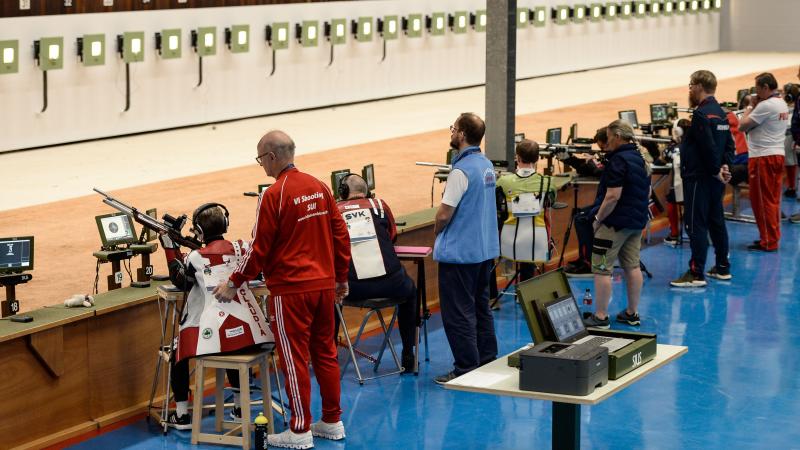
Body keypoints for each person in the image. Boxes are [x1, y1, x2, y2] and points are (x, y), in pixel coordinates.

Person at [212, 131, 351, 449]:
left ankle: (299, 430)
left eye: (260, 159)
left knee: (294, 359)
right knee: (326, 353)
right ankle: (331, 420)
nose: (260, 165)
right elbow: (340, 234)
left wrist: (234, 282)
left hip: (291, 291)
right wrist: (340, 278)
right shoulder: (319, 186)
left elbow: (259, 247)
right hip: (324, 287)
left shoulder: (273, 195)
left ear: (272, 157)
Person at [158, 204, 273, 430]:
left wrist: (170, 248)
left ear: (199, 232)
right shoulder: (243, 247)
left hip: (217, 337)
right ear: (226, 224)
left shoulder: (194, 256)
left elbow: (179, 279)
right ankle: (240, 409)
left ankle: (181, 415)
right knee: (235, 343)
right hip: (253, 335)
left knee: (175, 350)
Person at [432, 112, 499, 384]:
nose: (451, 133)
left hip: (459, 256)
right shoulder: (486, 165)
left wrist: (436, 233)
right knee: (481, 307)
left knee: (458, 313)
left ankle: (465, 368)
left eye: (454, 129)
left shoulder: (460, 171)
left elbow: (444, 214)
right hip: (483, 253)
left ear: (461, 135)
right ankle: (486, 358)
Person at [335, 173, 417, 372]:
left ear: (342, 193)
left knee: (332, 294)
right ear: (367, 191)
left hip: (353, 289)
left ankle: (329, 355)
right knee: (411, 291)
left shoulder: (335, 211)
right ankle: (409, 351)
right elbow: (392, 236)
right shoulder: (380, 205)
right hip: (391, 284)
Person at [582, 120, 651, 328]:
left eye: (609, 137)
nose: (607, 141)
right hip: (636, 222)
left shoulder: (619, 160)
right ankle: (632, 312)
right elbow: (646, 192)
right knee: (632, 266)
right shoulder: (641, 157)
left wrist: (597, 219)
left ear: (618, 137)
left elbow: (612, 196)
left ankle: (601, 316)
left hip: (615, 224)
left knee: (602, 269)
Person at [670, 70, 734, 287]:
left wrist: (716, 168)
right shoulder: (721, 113)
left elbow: (707, 147)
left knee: (696, 224)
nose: (689, 89)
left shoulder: (700, 114)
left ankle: (696, 273)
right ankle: (723, 267)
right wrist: (725, 167)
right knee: (717, 222)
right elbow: (728, 146)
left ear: (698, 86)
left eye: (691, 85)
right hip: (716, 180)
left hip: (699, 178)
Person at [739, 72, 790, 252]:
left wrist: (748, 107)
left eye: (758, 89)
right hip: (776, 155)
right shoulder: (781, 103)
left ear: (766, 87)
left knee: (761, 201)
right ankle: (770, 238)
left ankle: (768, 241)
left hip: (763, 158)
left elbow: (742, 126)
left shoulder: (766, 105)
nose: (757, 93)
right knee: (772, 199)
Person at [495, 139, 557, 283]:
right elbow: (551, 202)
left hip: (508, 243)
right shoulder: (548, 182)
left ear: (517, 157)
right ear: (537, 158)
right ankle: (525, 291)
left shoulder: (504, 182)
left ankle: (492, 296)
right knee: (529, 247)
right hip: (538, 242)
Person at [564, 128, 609, 277]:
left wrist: (592, 160)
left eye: (601, 146)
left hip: (611, 205)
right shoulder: (611, 155)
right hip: (607, 203)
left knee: (582, 219)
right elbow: (586, 170)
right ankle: (584, 257)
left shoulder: (613, 158)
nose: (601, 150)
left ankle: (588, 262)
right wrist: (567, 158)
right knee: (581, 215)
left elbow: (597, 171)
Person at [663, 118, 691, 246]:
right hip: (696, 188)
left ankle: (674, 234)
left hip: (680, 190)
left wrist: (673, 143)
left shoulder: (674, 149)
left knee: (670, 198)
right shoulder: (696, 144)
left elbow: (662, 158)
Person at [782, 83, 799, 198]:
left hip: (790, 137)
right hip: (791, 136)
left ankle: (792, 187)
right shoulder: (795, 106)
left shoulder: (786, 109)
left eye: (783, 93)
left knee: (790, 163)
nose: (782, 95)